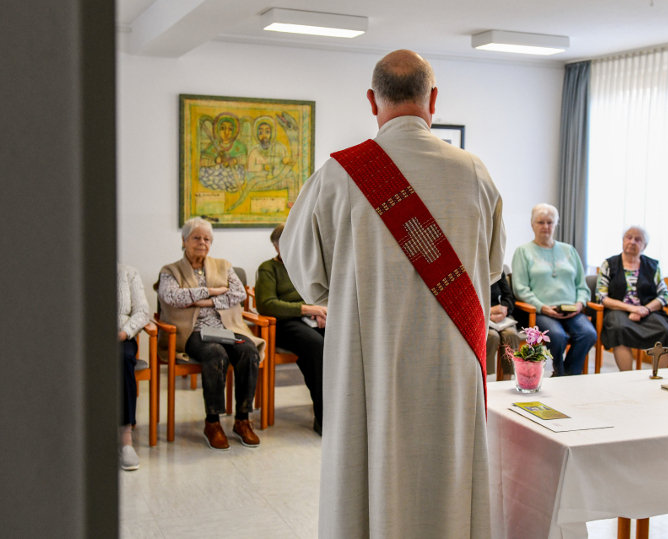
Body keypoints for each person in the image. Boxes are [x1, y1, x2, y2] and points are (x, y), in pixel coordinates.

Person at [280, 49, 505, 538]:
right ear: (434, 100)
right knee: (449, 475)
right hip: (449, 363)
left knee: (367, 470)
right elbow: (489, 270)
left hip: (369, 360)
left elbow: (307, 276)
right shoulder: (474, 172)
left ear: (372, 100)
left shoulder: (339, 174)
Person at [156, 217, 263, 450]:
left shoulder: (223, 265)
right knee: (216, 355)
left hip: (227, 328)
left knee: (248, 351)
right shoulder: (170, 270)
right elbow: (172, 297)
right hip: (193, 331)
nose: (202, 242)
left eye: (207, 239)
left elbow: (238, 294)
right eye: (196, 237)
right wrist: (212, 291)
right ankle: (212, 423)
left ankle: (243, 420)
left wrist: (201, 301)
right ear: (184, 241)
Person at [255, 223, 325, 435]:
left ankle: (347, 410)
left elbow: (322, 292)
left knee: (341, 341)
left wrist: (322, 311)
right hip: (284, 323)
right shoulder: (268, 269)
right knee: (315, 346)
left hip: (312, 318)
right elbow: (267, 304)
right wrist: (304, 309)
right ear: (276, 247)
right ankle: (324, 416)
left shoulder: (308, 265)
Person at [511, 203, 596, 376]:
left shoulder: (569, 250)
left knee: (588, 333)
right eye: (540, 222)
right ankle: (561, 371)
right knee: (557, 337)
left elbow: (582, 285)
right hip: (541, 311)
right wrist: (542, 307)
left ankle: (568, 374)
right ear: (532, 224)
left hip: (572, 309)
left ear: (556, 224)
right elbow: (520, 288)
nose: (545, 226)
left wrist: (580, 304)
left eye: (550, 222)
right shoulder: (523, 252)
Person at [596, 226, 668, 370]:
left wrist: (645, 309)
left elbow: (665, 295)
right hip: (617, 310)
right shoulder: (609, 264)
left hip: (648, 311)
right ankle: (627, 376)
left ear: (644, 245)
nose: (632, 242)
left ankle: (657, 378)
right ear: (622, 240)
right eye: (629, 237)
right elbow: (602, 297)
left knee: (666, 330)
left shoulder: (653, 266)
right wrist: (632, 308)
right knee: (619, 328)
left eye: (638, 239)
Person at [117, 263, 150, 471]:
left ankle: (125, 438)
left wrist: (124, 333)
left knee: (123, 360)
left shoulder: (128, 272)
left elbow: (143, 312)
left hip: (121, 335)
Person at [487, 270, 520, 379]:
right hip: (481, 316)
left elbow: (509, 297)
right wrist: (488, 311)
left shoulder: (498, 270)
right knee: (492, 336)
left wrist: (504, 309)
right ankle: (485, 380)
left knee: (511, 335)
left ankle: (507, 379)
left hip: (501, 316)